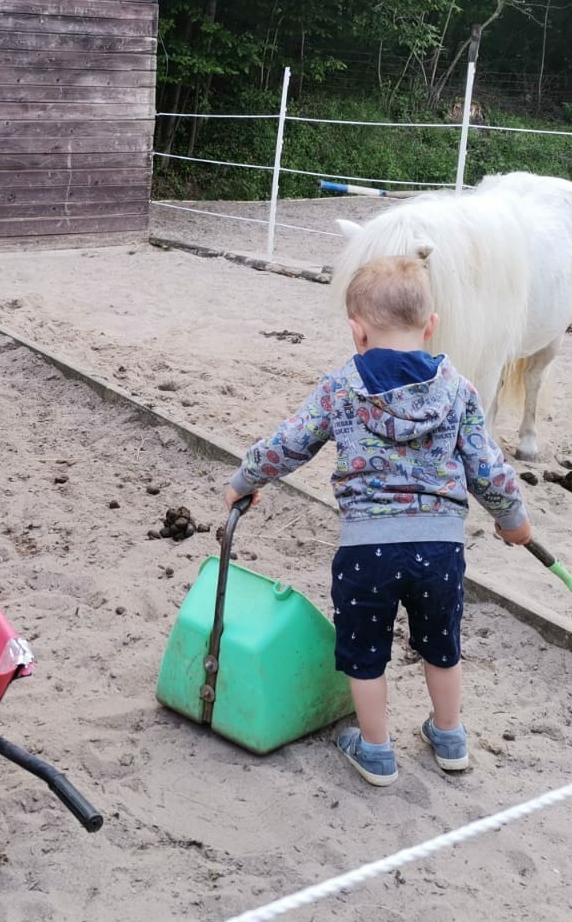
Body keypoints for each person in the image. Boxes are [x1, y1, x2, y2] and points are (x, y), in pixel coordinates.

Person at [225, 252, 533, 785]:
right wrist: (514, 519)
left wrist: (244, 482)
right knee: (442, 643)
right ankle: (450, 735)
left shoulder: (340, 387)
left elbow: (289, 443)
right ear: (431, 325)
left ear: (356, 331)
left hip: (366, 551)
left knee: (364, 652)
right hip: (440, 550)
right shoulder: (458, 390)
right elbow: (488, 466)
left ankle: (375, 748)